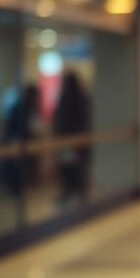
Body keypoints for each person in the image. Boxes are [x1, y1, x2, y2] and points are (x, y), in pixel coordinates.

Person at [54, 72, 91, 204]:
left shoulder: (71, 98)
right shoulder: (80, 98)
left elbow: (62, 120)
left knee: (71, 167)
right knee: (72, 166)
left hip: (72, 140)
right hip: (73, 141)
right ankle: (75, 191)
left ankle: (74, 191)